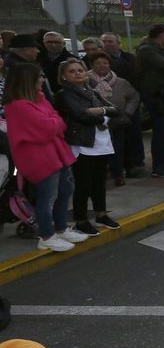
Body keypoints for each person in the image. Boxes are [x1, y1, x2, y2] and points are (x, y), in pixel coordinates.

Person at [2, 63, 87, 252]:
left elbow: (57, 122)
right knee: (48, 197)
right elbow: (47, 128)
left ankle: (61, 228)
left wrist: (53, 122)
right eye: (38, 76)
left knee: (65, 191)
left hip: (56, 153)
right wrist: (54, 123)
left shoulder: (39, 99)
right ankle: (46, 235)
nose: (42, 79)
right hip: (39, 158)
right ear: (27, 80)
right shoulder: (17, 105)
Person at [54, 58, 125, 236]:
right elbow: (80, 115)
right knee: (83, 184)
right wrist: (103, 115)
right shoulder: (64, 94)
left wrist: (99, 111)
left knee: (99, 182)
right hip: (83, 143)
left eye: (80, 70)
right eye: (72, 71)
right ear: (63, 76)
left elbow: (115, 109)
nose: (77, 73)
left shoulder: (92, 91)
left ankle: (101, 214)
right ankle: (81, 219)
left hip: (101, 141)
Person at [85, 51, 140, 188]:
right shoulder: (86, 82)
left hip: (117, 121)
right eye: (98, 63)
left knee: (117, 148)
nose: (102, 66)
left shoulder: (121, 82)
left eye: (105, 63)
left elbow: (134, 97)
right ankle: (99, 175)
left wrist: (127, 112)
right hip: (96, 122)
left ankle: (118, 174)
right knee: (98, 150)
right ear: (91, 65)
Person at [136, 25, 164, 178]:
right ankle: (159, 166)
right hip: (154, 95)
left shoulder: (162, 49)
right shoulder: (147, 50)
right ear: (160, 35)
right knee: (160, 130)